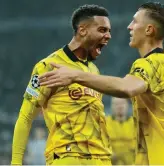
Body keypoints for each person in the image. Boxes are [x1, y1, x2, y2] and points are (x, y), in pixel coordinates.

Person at [39, 1, 164, 165]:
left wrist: (76, 76)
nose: (129, 26)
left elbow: (126, 88)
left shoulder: (147, 64)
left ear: (149, 30)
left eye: (135, 21)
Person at [11, 4, 112, 165]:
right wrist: (16, 162)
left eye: (109, 31)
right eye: (102, 30)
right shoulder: (48, 66)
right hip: (67, 157)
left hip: (101, 159)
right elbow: (25, 116)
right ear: (82, 30)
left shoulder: (94, 71)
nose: (108, 36)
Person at [106, 97, 136, 165]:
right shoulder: (104, 123)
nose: (120, 107)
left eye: (122, 103)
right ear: (111, 106)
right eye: (116, 104)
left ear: (128, 105)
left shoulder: (136, 124)